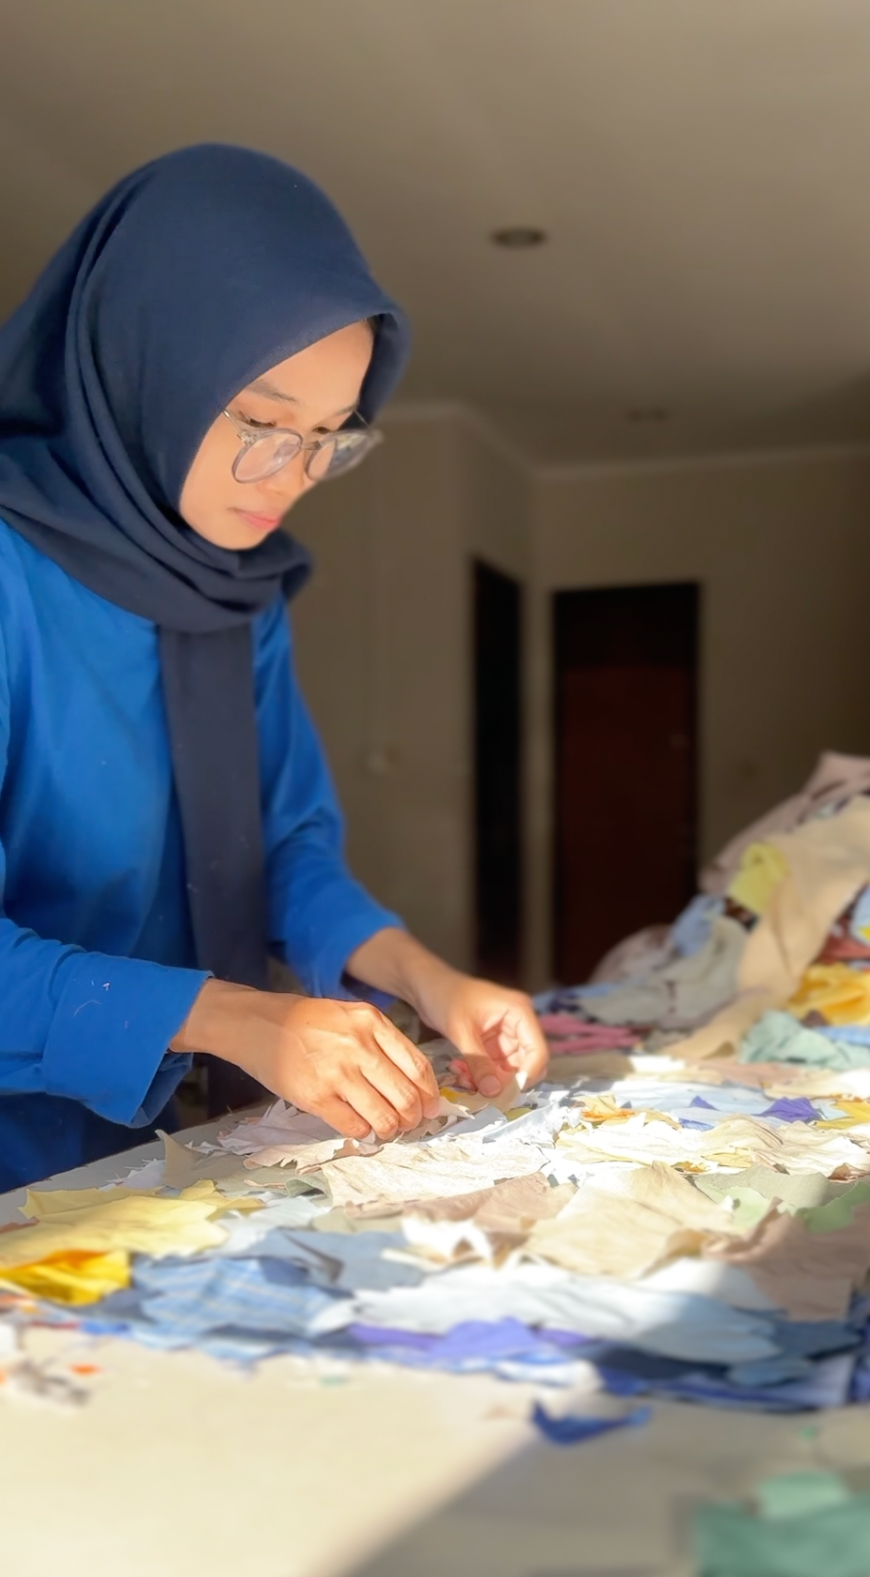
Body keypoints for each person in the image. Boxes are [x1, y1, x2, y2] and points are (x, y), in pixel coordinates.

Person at [0, 143, 548, 1192]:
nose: (291, 476)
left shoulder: (233, 591)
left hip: (152, 1157)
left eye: (330, 436)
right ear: (143, 363)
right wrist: (231, 1016)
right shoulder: (11, 578)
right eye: (262, 421)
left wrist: (425, 978)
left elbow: (282, 846)